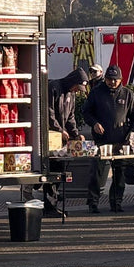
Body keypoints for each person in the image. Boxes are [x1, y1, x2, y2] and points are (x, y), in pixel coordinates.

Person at [83, 64, 134, 213]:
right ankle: (93, 203)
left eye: (115, 80)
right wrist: (94, 123)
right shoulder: (96, 93)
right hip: (102, 140)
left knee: (120, 175)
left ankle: (116, 203)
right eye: (109, 79)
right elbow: (86, 112)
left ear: (121, 80)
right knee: (97, 173)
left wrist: (131, 133)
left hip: (121, 140)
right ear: (105, 79)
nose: (112, 82)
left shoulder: (128, 94)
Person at [43, 68, 89, 214]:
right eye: (77, 87)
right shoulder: (54, 87)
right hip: (50, 136)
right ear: (72, 81)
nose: (77, 90)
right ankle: (49, 205)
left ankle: (53, 202)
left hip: (60, 138)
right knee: (51, 169)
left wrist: (76, 134)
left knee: (59, 169)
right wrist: (58, 129)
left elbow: (70, 117)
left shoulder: (71, 95)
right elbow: (48, 111)